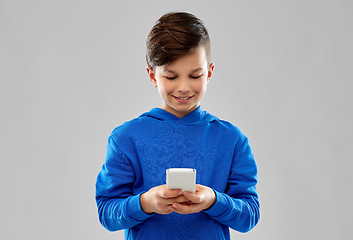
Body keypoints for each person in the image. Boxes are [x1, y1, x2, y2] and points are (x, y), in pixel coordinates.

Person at [95, 11, 260, 240]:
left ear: (209, 73)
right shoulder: (126, 138)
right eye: (171, 77)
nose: (183, 87)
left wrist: (213, 200)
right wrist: (145, 203)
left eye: (195, 75)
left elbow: (250, 215)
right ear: (153, 76)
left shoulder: (231, 139)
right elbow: (107, 213)